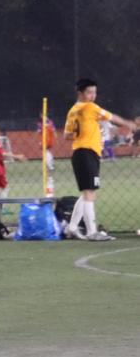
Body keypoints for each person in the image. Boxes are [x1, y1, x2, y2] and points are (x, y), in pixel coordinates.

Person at [63, 78, 136, 240]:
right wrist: (128, 124)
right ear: (80, 93)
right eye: (89, 92)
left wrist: (81, 132)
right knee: (90, 193)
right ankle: (92, 232)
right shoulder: (90, 107)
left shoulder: (73, 110)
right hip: (87, 152)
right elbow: (111, 117)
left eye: (94, 92)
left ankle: (72, 228)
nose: (93, 96)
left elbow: (66, 135)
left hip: (79, 153)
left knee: (87, 191)